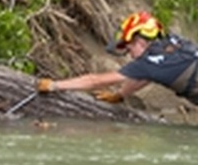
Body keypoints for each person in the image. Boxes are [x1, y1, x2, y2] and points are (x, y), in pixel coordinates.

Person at [36, 11, 198, 105]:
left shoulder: (148, 62)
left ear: (140, 41)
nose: (129, 52)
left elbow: (95, 81)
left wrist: (55, 85)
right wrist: (121, 94)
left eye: (129, 47)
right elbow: (148, 76)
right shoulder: (173, 42)